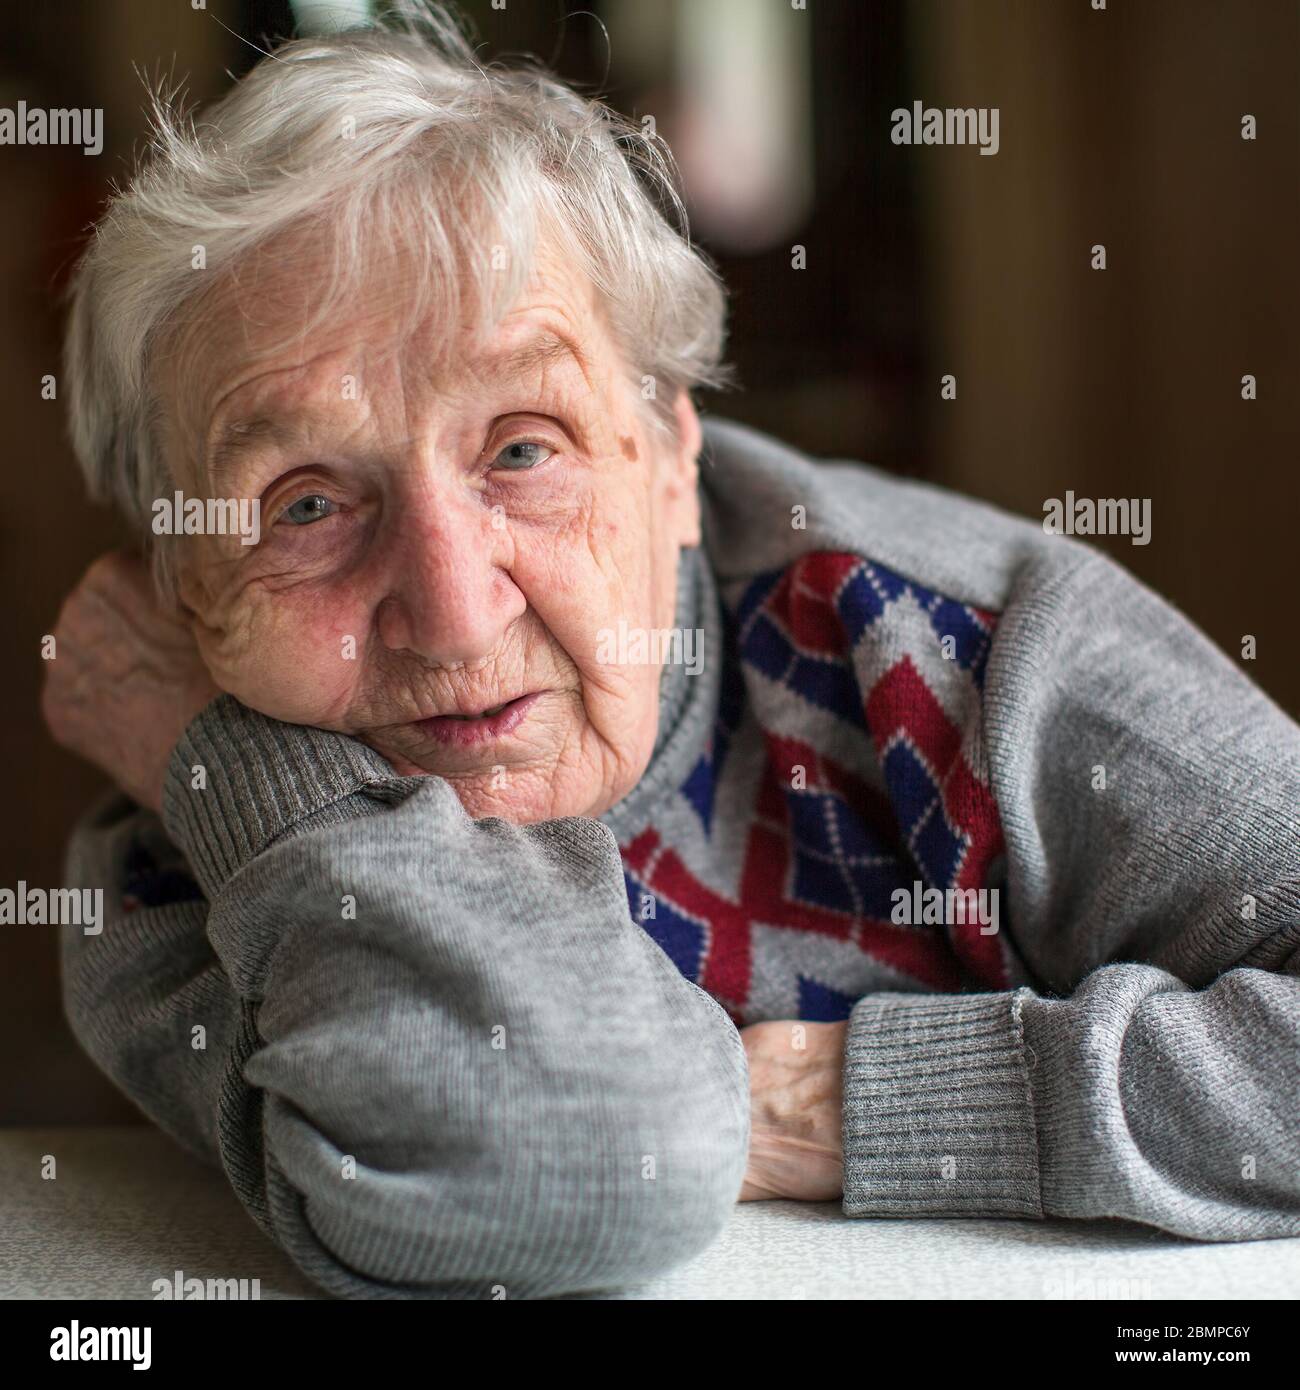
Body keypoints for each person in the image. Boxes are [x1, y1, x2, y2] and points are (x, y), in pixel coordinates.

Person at [44, 6, 1300, 1299]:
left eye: (524, 449)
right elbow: (570, 1172)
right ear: (175, 578)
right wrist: (257, 794)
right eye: (304, 502)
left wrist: (835, 1098)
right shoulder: (197, 858)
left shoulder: (967, 653)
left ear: (670, 459)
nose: (458, 612)